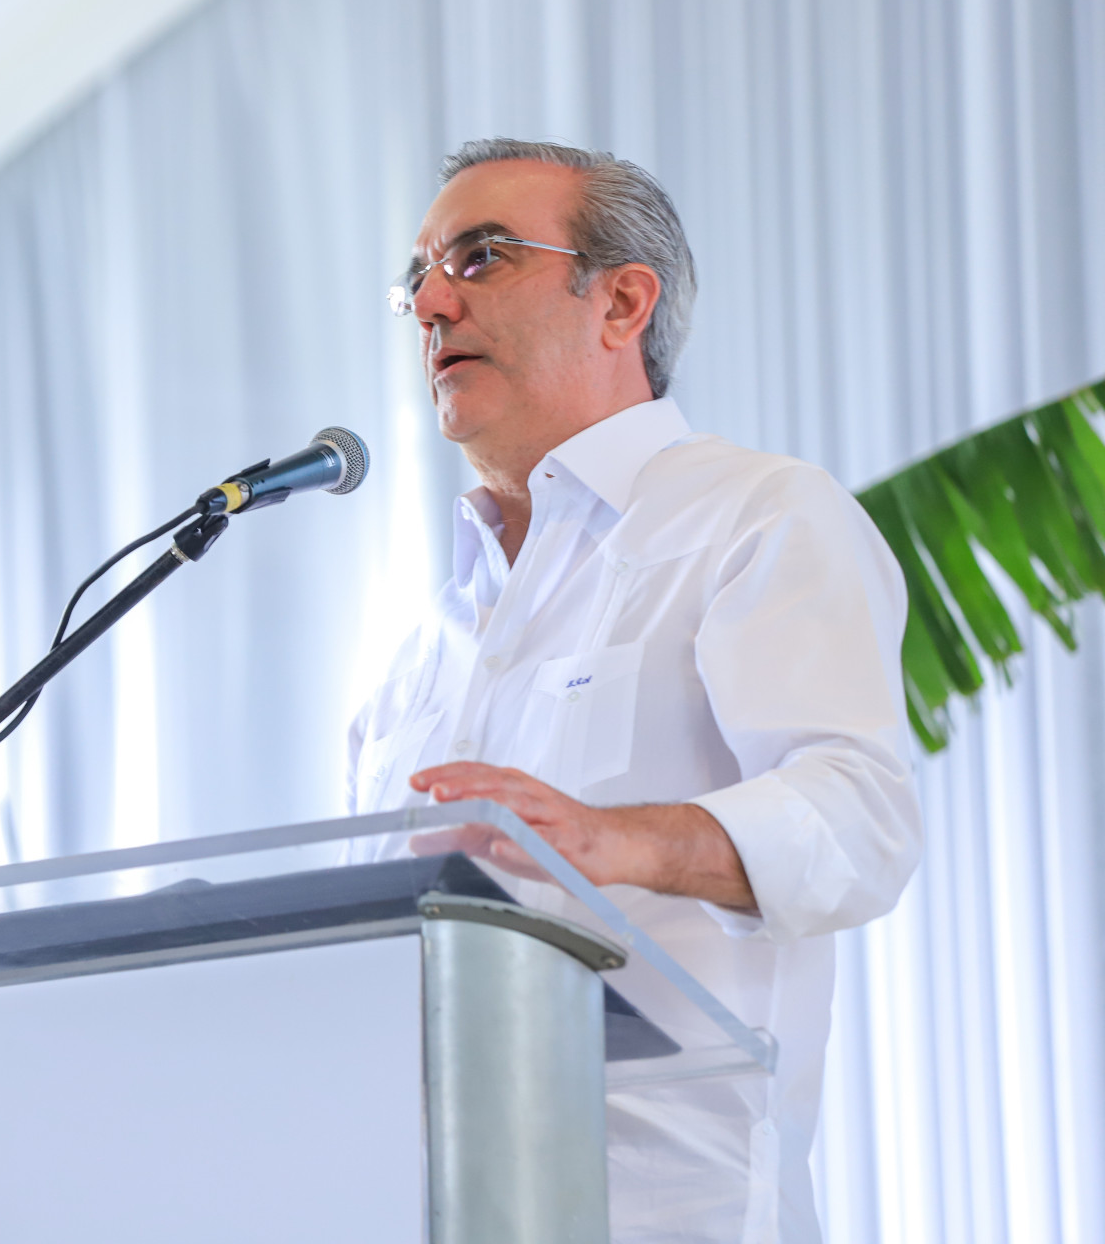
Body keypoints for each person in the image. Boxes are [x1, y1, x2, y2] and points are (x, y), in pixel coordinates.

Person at [346, 138, 921, 1242]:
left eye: (479, 257)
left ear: (621, 302)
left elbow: (862, 821)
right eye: (417, 276)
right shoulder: (423, 650)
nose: (429, 303)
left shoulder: (756, 517)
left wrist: (616, 841)